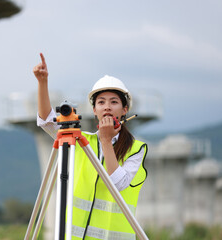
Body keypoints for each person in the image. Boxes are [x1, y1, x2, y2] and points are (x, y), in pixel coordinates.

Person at [33, 53, 147, 240]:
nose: (107, 107)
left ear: (125, 109)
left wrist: (105, 140)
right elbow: (46, 121)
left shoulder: (136, 149)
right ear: (94, 110)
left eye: (114, 102)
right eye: (101, 102)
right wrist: (42, 82)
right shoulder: (79, 141)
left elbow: (118, 184)